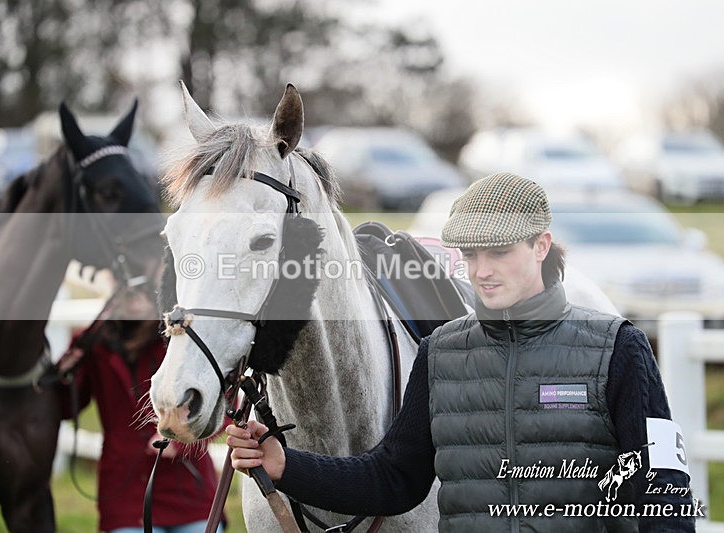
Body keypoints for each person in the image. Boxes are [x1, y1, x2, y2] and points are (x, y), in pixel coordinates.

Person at [226, 173, 697, 532]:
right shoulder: (439, 354)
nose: (483, 271)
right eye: (471, 255)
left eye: (498, 252)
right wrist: (286, 464)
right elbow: (393, 479)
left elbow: (665, 495)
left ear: (541, 246)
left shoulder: (619, 348)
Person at [59, 287, 223, 533]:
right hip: (125, 496)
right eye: (128, 286)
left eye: (144, 288)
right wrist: (64, 375)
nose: (136, 293)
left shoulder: (183, 342)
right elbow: (65, 408)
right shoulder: (92, 343)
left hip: (188, 492)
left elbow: (226, 406)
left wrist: (182, 440)